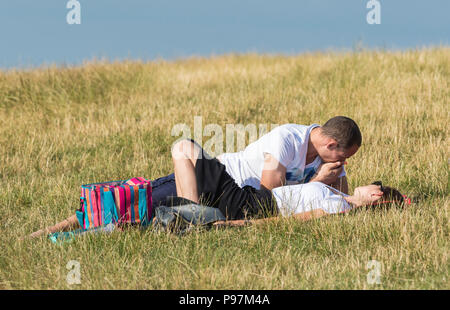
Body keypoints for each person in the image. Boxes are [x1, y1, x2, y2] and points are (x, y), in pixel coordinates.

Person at [151, 116, 362, 207]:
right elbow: (270, 194)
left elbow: (343, 200)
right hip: (219, 179)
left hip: (236, 199)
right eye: (343, 157)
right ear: (331, 144)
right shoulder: (288, 138)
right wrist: (317, 182)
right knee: (142, 199)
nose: (344, 163)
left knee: (155, 212)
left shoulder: (329, 161)